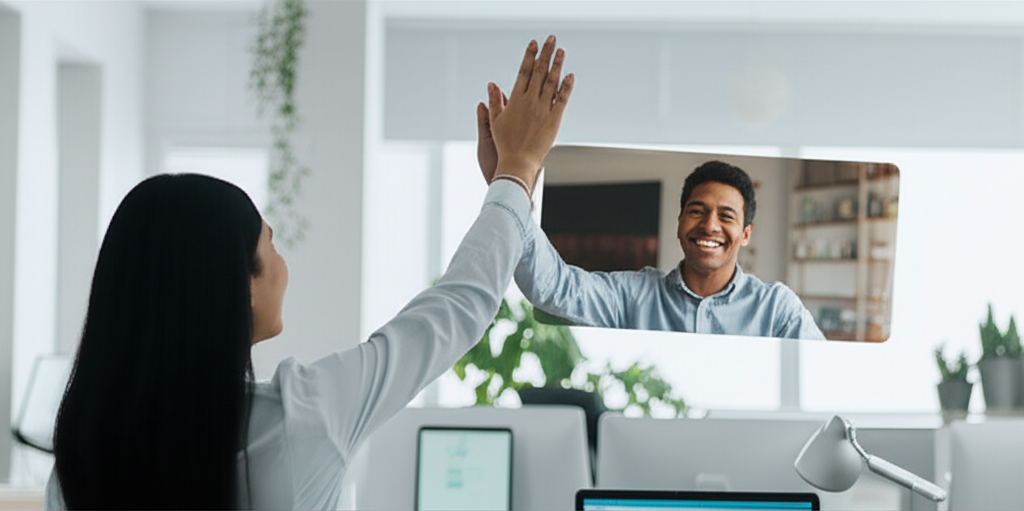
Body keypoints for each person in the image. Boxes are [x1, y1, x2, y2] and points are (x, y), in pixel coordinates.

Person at [47, 36, 573, 510]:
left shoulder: (76, 464)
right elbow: (455, 309)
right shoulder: (300, 420)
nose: (284, 266)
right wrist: (516, 172)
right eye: (271, 246)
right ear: (237, 290)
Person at [472, 133, 825, 339]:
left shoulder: (778, 310)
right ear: (680, 222)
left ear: (745, 234)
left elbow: (822, 377)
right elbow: (555, 287)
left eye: (726, 216)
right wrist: (511, 186)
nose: (710, 225)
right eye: (697, 211)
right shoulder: (632, 295)